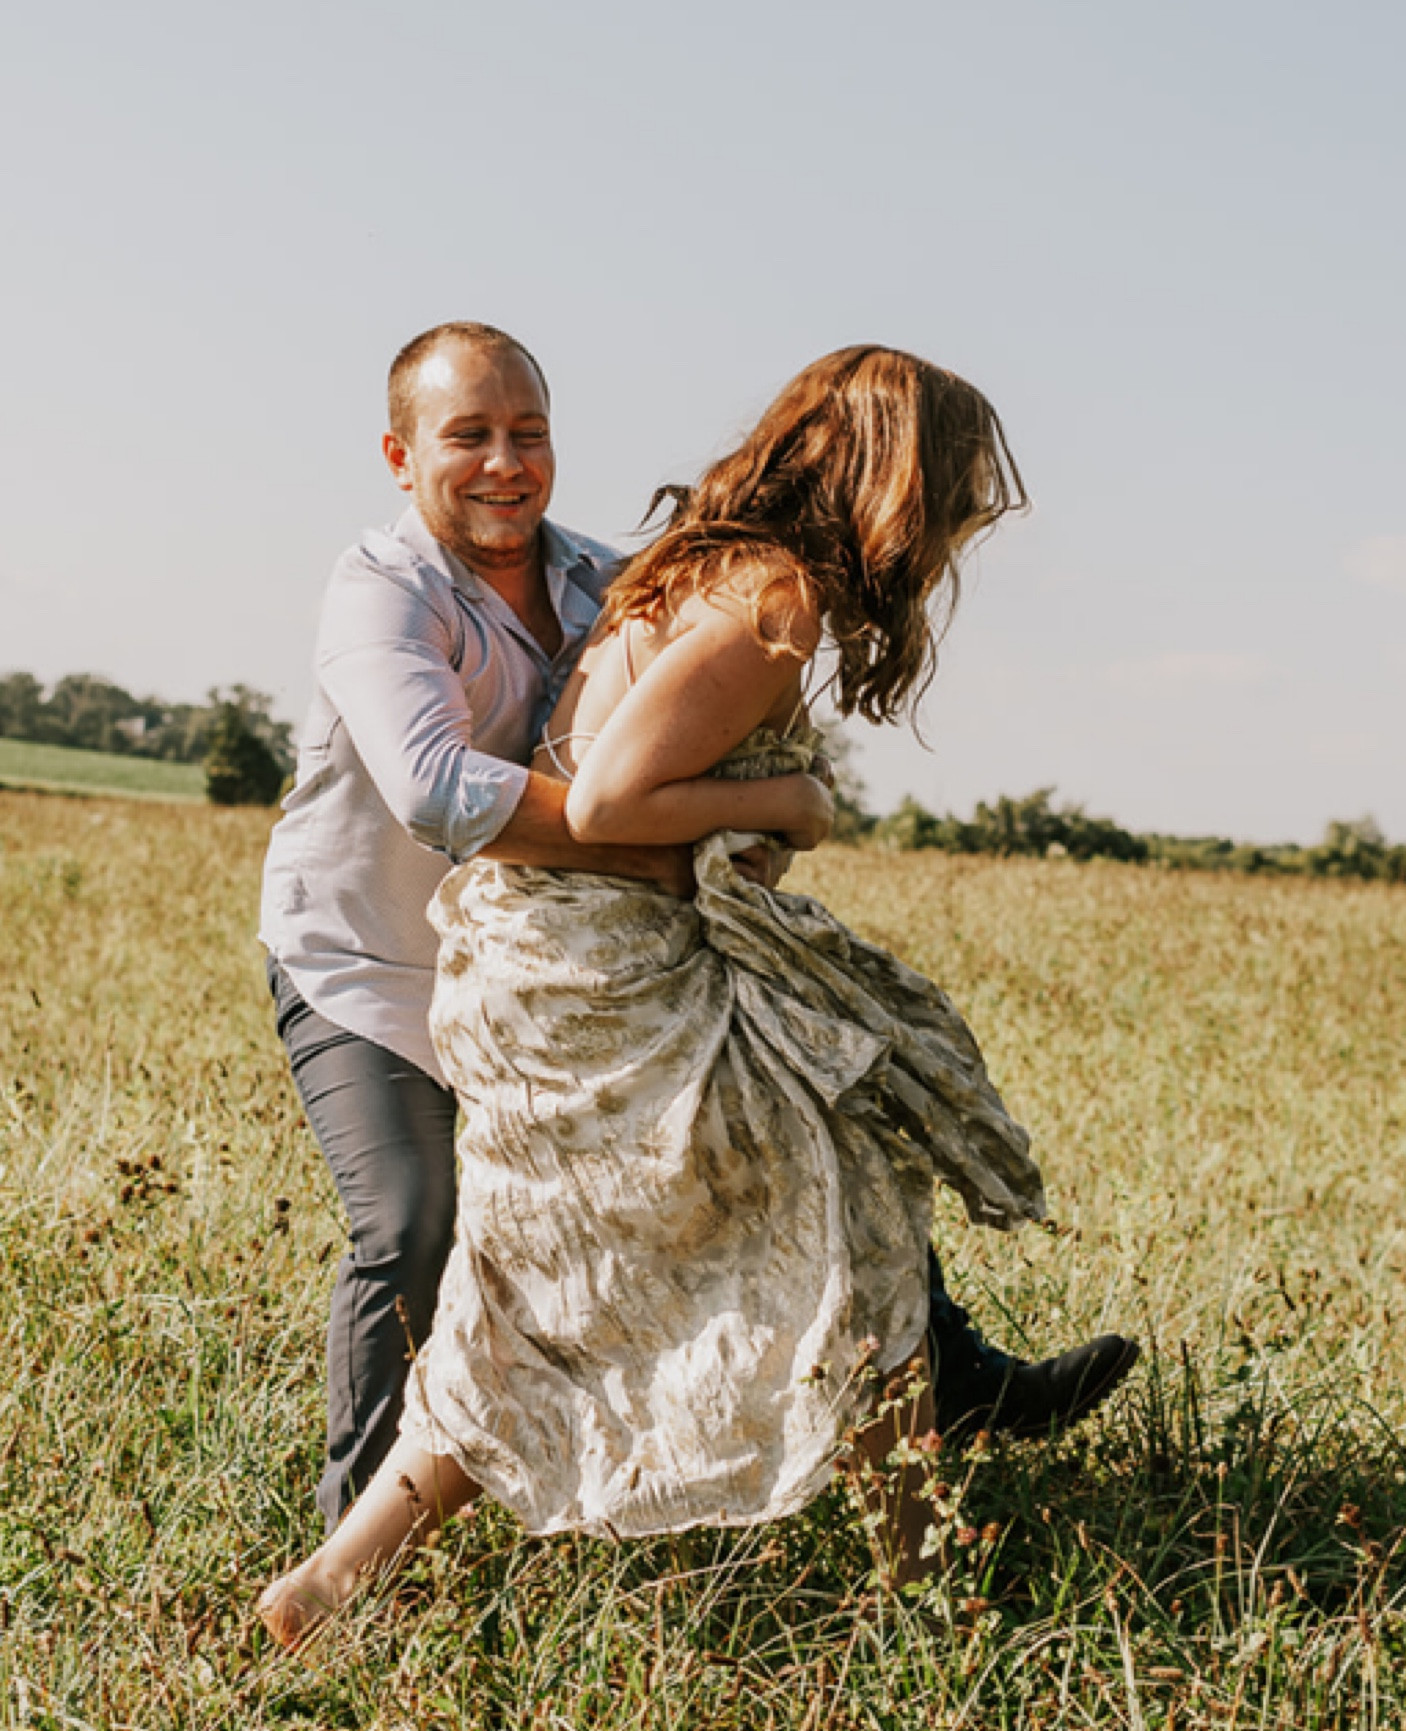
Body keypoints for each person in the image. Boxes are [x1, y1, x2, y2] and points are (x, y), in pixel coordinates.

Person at [257, 344, 1135, 1646]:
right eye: (948, 500)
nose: (953, 535)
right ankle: (924, 1592)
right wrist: (788, 804)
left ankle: (339, 1579)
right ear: (887, 483)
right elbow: (576, 796)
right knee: (492, 1248)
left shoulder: (639, 565)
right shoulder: (754, 589)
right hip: (501, 966)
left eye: (528, 431)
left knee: (745, 1227)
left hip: (553, 951)